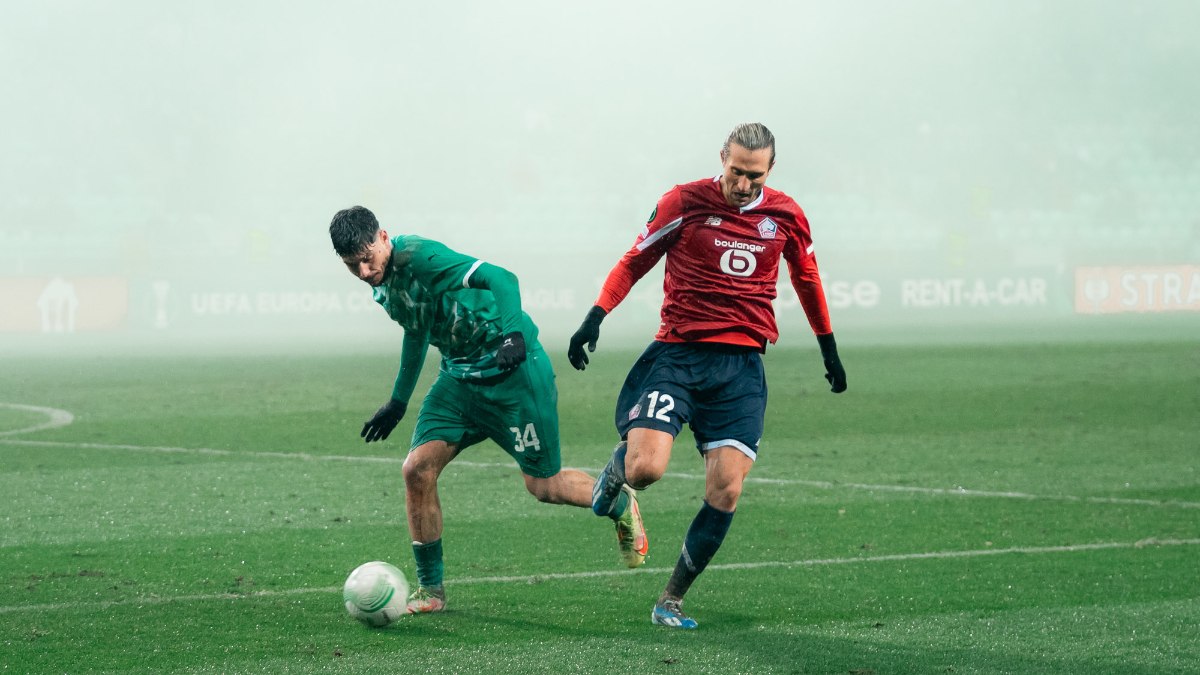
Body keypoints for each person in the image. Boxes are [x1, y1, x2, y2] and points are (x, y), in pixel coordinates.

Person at [567, 123, 847, 629]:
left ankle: (670, 599)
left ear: (771, 170)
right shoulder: (683, 202)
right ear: (722, 157)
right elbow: (636, 260)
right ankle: (617, 472)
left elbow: (807, 277)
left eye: (754, 175)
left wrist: (828, 348)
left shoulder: (785, 215)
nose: (743, 183)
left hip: (740, 369)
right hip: (679, 355)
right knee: (646, 470)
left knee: (727, 490)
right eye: (736, 171)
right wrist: (595, 315)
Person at [329, 205, 647, 614]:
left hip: (514, 375)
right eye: (352, 266)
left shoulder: (420, 258)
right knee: (416, 469)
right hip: (460, 380)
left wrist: (512, 335)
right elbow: (417, 330)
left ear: (384, 237)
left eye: (368, 258)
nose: (364, 271)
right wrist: (398, 401)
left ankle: (620, 503)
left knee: (543, 486)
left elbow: (501, 277)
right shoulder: (383, 284)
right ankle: (431, 591)